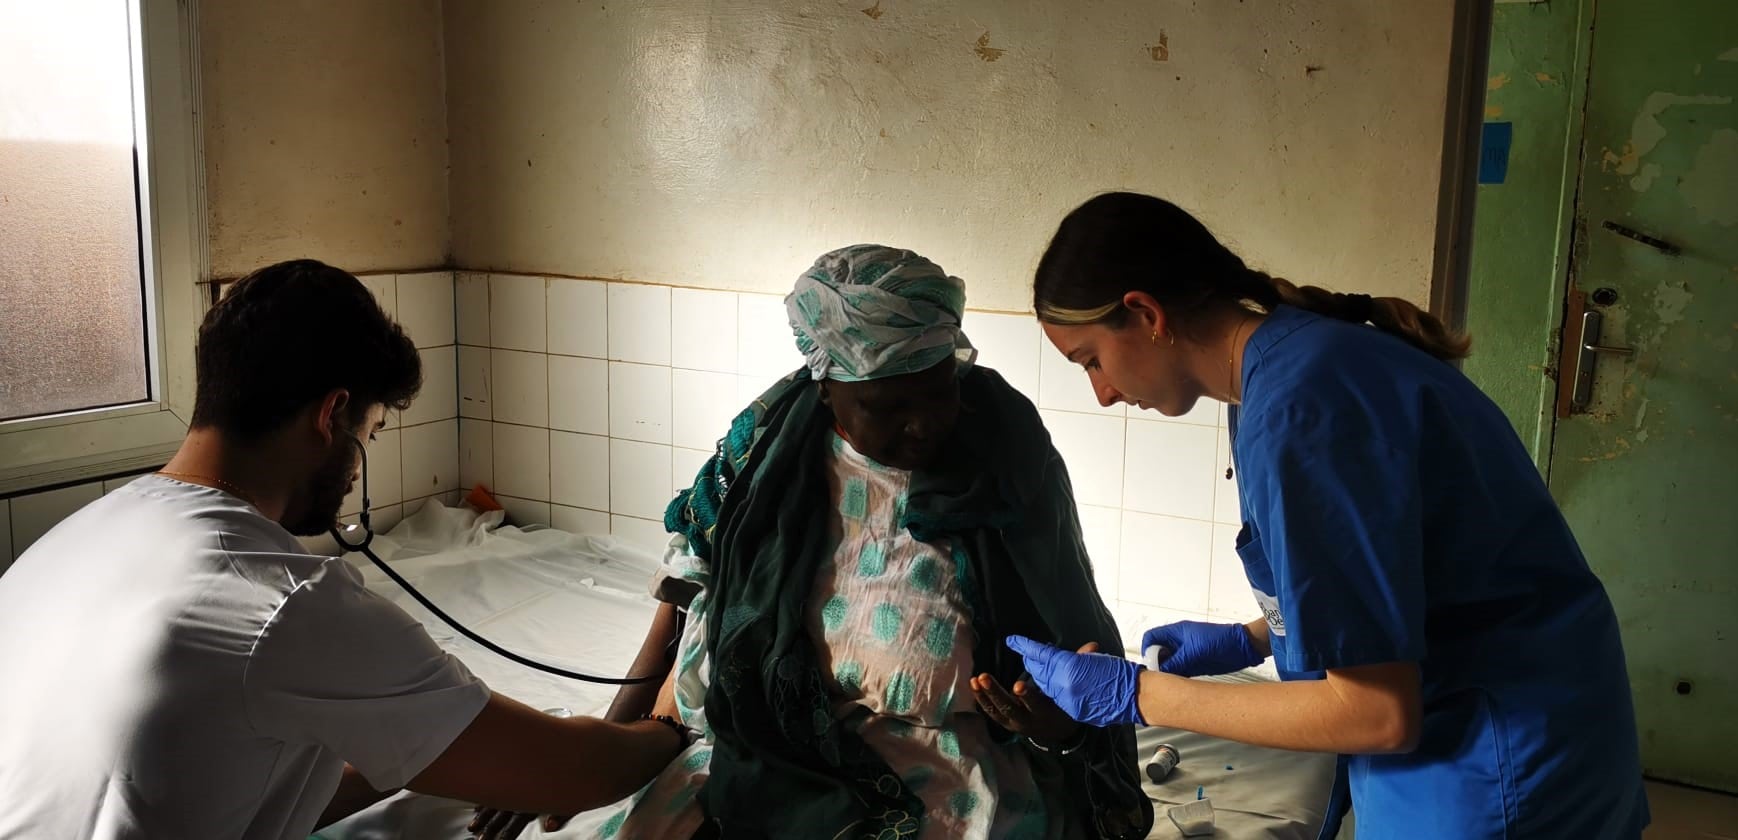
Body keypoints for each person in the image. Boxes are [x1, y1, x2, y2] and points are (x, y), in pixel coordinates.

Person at [1002, 193, 1650, 839]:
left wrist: (1138, 695)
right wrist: (1256, 637)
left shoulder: (1298, 408)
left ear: (1146, 314)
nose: (1102, 393)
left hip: (1499, 766)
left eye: (1091, 360)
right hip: (1523, 728)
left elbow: (1377, 714)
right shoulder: (1284, 371)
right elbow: (1397, 570)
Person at [474, 245, 1151, 840]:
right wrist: (587, 759)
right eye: (888, 407)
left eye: (939, 393)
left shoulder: (1005, 452)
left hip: (958, 765)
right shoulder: (765, 458)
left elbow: (1068, 623)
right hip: (779, 744)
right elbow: (686, 601)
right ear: (828, 391)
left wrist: (1058, 729)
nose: (922, 425)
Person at [0, 260, 685, 840]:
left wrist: (454, 753)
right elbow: (579, 776)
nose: (358, 468)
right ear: (332, 415)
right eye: (371, 433)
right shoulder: (289, 604)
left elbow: (235, 773)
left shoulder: (73, 541)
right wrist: (671, 724)